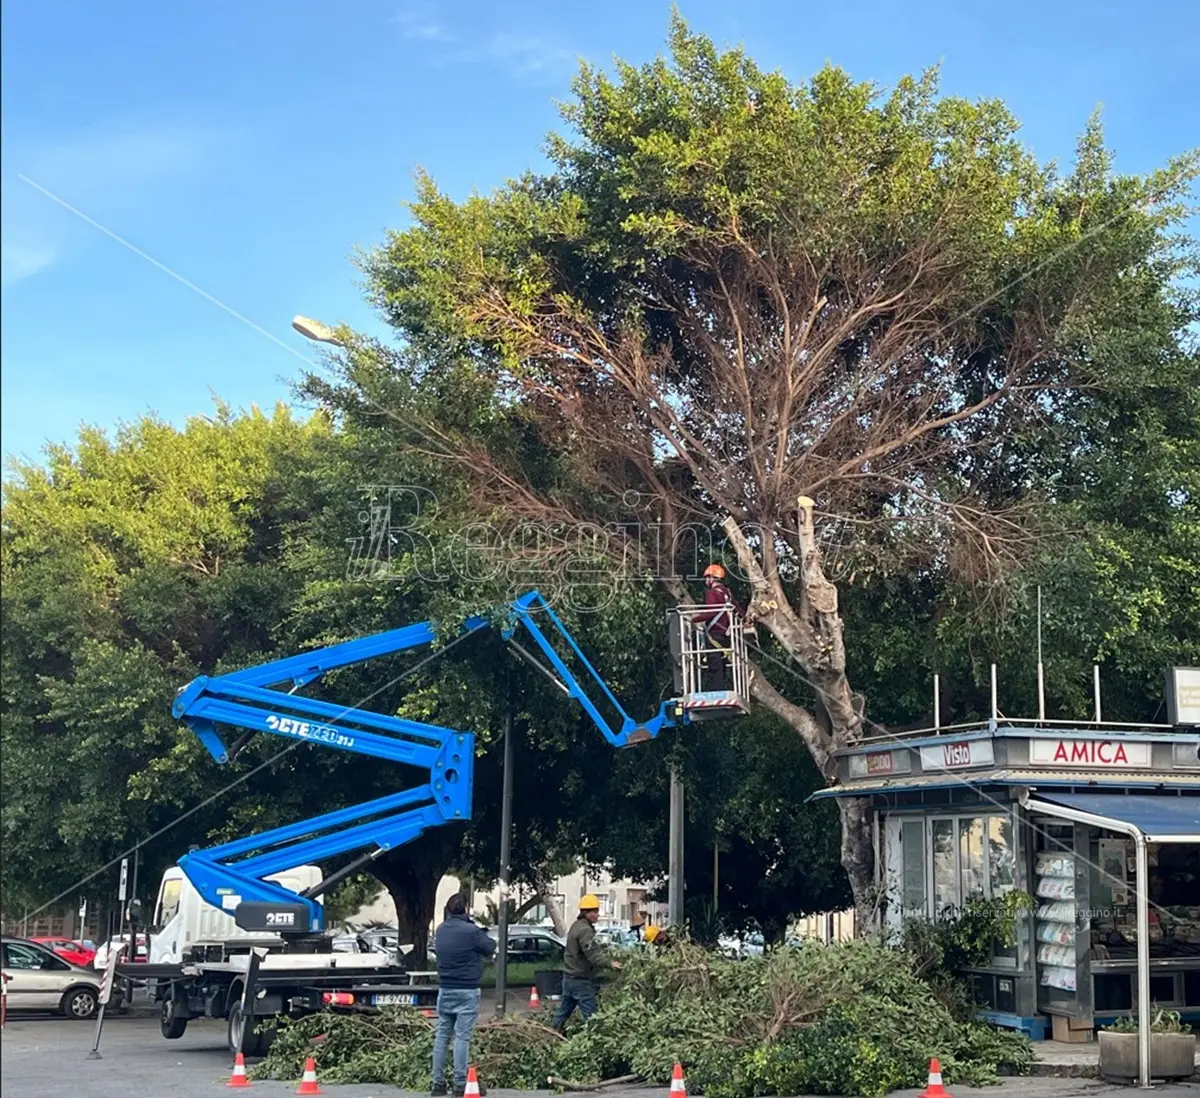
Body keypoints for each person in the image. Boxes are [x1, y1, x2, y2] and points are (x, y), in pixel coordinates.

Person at [430, 893, 496, 1097]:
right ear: (465, 909)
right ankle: (460, 1083)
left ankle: (437, 1084)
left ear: (448, 910)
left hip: (445, 988)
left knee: (442, 1035)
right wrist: (473, 925)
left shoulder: (440, 930)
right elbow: (490, 947)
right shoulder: (471, 931)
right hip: (467, 989)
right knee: (462, 1037)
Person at [551, 894, 621, 1032]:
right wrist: (610, 963)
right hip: (580, 980)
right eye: (595, 912)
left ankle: (552, 1033)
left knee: (563, 1011)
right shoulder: (585, 930)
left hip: (569, 977)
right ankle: (593, 1039)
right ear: (587, 913)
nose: (598, 915)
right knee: (591, 1015)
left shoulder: (576, 925)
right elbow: (592, 953)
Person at [693, 563, 747, 691]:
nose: (706, 581)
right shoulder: (727, 593)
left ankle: (717, 691)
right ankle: (723, 687)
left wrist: (694, 619)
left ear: (712, 578)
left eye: (707, 578)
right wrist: (745, 619)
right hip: (727, 634)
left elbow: (711, 612)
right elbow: (737, 609)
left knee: (714, 662)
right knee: (723, 662)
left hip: (715, 633)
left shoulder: (712, 593)